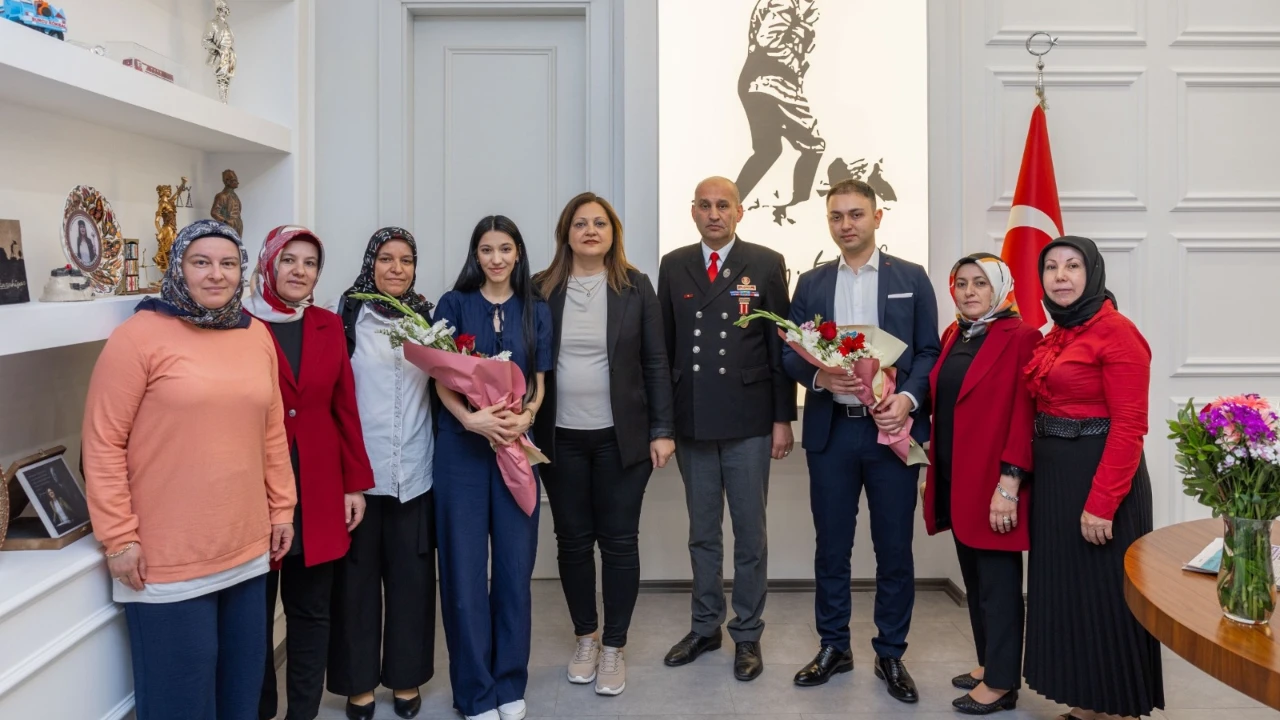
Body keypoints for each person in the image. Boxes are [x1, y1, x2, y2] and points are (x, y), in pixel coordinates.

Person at [82, 219, 296, 720]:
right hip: (167, 561)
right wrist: (119, 537)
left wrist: (282, 508)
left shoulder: (255, 335)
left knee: (240, 698)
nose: (216, 274)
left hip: (246, 548)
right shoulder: (137, 338)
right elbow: (103, 443)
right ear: (178, 267)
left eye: (228, 264)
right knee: (180, 702)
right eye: (201, 262)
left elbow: (271, 431)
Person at [782, 179, 939, 700]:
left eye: (855, 214)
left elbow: (928, 352)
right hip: (832, 433)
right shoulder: (811, 283)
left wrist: (908, 399)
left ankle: (890, 652)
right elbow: (788, 353)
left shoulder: (911, 278)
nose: (846, 224)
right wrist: (819, 378)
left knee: (894, 547)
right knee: (832, 547)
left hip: (892, 432)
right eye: (836, 216)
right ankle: (834, 646)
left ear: (877, 217)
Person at [532, 193, 676, 697]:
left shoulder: (636, 286)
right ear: (566, 233)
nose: (590, 231)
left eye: (599, 223)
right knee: (571, 542)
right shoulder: (541, 288)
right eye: (580, 223)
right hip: (559, 438)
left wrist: (662, 430)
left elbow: (656, 361)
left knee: (619, 542)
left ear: (613, 232)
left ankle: (614, 645)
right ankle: (586, 638)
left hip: (622, 438)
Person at [656, 176, 795, 682]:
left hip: (749, 420)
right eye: (705, 205)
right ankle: (705, 626)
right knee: (702, 533)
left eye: (723, 205)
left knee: (750, 534)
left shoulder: (765, 262)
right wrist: (663, 424)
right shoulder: (673, 264)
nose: (714, 214)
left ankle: (748, 633)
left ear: (739, 212)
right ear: (693, 211)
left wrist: (782, 419)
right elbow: (663, 350)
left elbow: (781, 345)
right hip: (692, 418)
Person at [1022, 236, 1163, 720]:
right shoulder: (1057, 333)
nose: (1060, 276)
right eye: (1051, 267)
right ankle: (1088, 704)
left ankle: (1119, 709)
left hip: (1101, 482)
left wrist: (1102, 503)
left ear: (1093, 273)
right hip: (1057, 482)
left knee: (1105, 598)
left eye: (1072, 266)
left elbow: (1129, 426)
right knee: (1072, 597)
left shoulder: (1117, 332)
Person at [243, 225, 376, 720]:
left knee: (311, 612)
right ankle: (259, 711)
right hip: (255, 486)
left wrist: (354, 484)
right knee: (253, 618)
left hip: (319, 487)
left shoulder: (327, 324)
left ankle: (303, 713)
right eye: (289, 260)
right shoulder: (239, 324)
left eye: (310, 263)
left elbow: (346, 407)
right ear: (269, 263)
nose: (300, 271)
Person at [433, 215, 553, 720]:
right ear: (475, 255)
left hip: (515, 449)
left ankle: (508, 684)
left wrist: (527, 415)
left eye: (505, 249)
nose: (497, 258)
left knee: (513, 572)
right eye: (487, 250)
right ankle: (474, 692)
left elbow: (539, 380)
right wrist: (470, 419)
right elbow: (440, 378)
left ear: (518, 253)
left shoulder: (536, 309)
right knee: (462, 577)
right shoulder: (453, 304)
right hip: (461, 452)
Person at [921, 253, 1038, 715]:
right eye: (962, 283)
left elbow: (1025, 416)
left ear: (1000, 288)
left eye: (980, 283)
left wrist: (1009, 484)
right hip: (956, 476)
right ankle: (990, 662)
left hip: (995, 481)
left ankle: (1003, 683)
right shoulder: (956, 334)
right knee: (976, 577)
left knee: (999, 583)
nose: (969, 292)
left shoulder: (1022, 337)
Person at [328, 228, 437, 720]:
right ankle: (359, 685)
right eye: (387, 258)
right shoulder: (349, 315)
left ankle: (406, 677)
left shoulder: (426, 317)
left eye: (406, 260)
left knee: (412, 581)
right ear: (370, 262)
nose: (397, 268)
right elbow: (333, 395)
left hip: (415, 472)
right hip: (360, 477)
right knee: (356, 585)